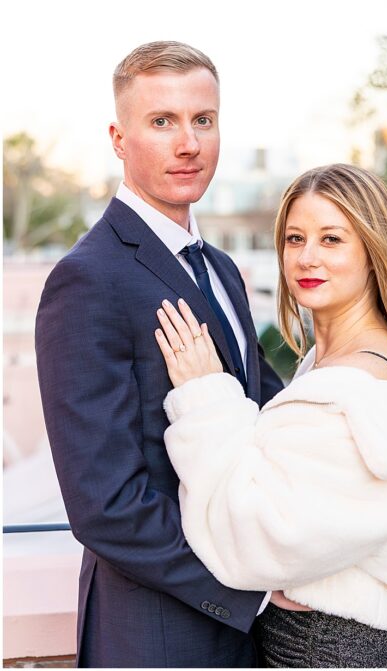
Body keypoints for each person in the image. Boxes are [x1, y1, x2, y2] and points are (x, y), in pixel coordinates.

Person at [152, 163, 387, 668]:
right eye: (295, 238)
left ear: (374, 252)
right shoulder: (379, 365)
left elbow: (251, 544)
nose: (307, 257)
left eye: (332, 239)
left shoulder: (345, 386)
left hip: (327, 648)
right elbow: (347, 494)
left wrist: (204, 399)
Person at [36, 41, 285, 667]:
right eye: (162, 121)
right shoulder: (88, 280)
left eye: (203, 119)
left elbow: (273, 416)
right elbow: (104, 504)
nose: (188, 144)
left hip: (245, 635)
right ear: (119, 139)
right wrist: (250, 591)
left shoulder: (222, 270)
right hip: (153, 634)